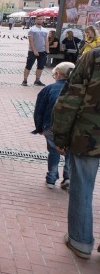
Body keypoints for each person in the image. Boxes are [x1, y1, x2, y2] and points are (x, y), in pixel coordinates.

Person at [52, 48, 100, 259]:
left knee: (81, 188)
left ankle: (80, 242)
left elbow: (72, 97)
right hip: (88, 136)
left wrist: (60, 136)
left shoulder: (94, 57)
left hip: (88, 136)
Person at [33, 62, 74, 189]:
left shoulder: (48, 89)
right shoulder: (77, 90)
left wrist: (39, 127)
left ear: (57, 74)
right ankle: (68, 177)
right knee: (69, 152)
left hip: (50, 126)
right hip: (71, 128)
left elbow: (39, 110)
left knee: (53, 151)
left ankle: (51, 178)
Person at [22, 14, 48, 86]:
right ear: (35, 20)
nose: (39, 20)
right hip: (32, 51)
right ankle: (25, 80)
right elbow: (31, 41)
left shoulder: (45, 30)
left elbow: (46, 41)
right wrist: (34, 50)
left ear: (43, 20)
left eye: (41, 19)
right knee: (28, 66)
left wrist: (47, 50)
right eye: (38, 19)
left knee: (40, 66)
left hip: (42, 51)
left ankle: (37, 80)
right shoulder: (32, 29)